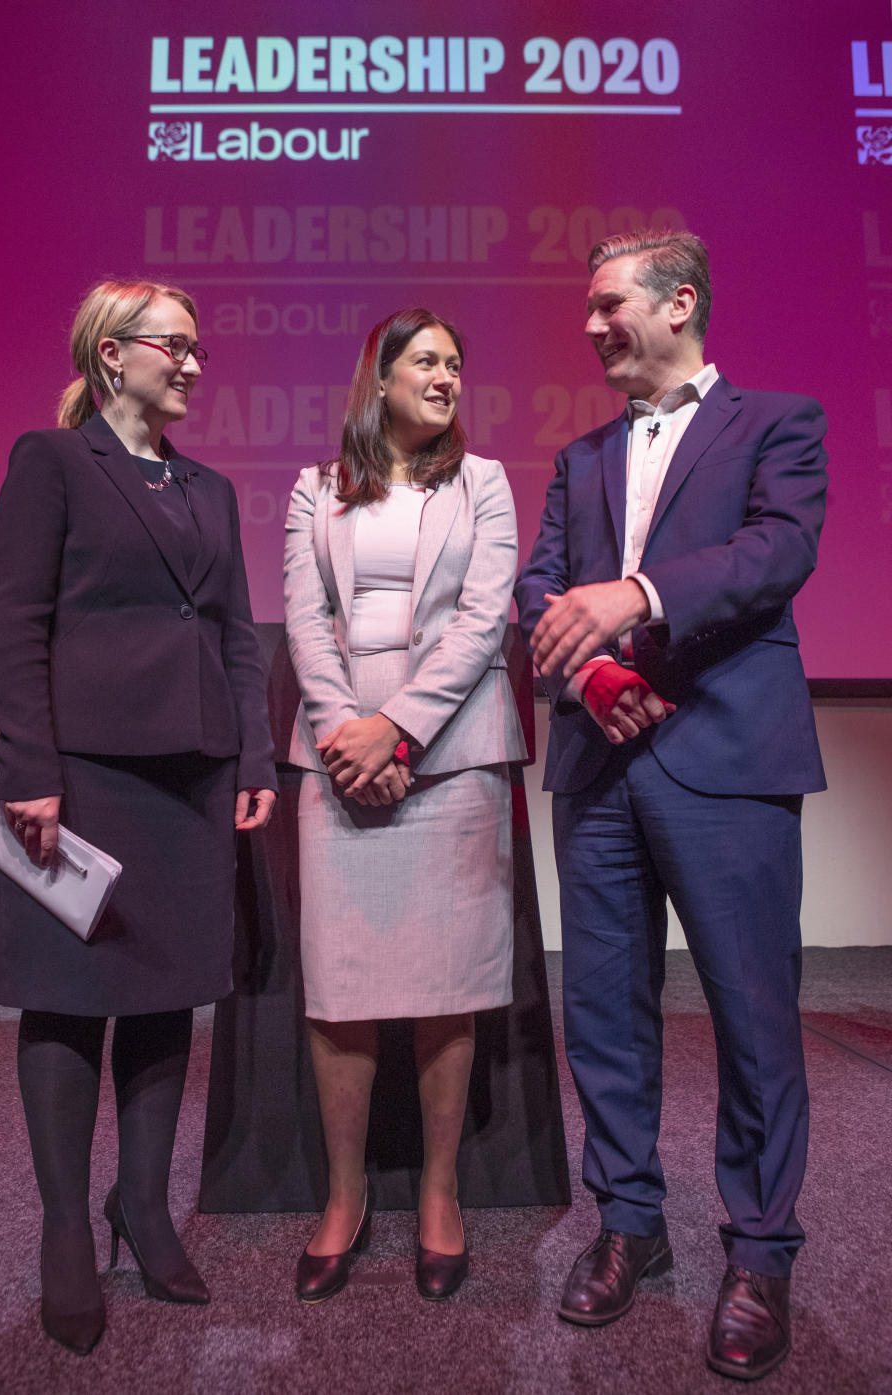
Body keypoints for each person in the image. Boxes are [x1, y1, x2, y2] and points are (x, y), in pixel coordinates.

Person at [515, 231, 827, 1382]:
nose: (592, 328)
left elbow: (778, 550)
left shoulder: (779, 422)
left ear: (679, 302)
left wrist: (636, 597)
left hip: (727, 758)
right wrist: (591, 669)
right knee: (603, 1012)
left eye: (608, 307)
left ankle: (758, 1252)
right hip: (599, 762)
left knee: (753, 1021)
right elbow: (540, 583)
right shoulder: (579, 455)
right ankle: (630, 1222)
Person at [0, 279, 276, 1356]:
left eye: (200, 348)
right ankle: (68, 1227)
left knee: (166, 995)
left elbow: (237, 632)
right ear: (113, 354)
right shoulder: (52, 462)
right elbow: (12, 619)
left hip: (193, 777)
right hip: (82, 774)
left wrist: (252, 753)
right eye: (174, 346)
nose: (194, 363)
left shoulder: (209, 486)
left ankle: (141, 1205)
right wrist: (29, 768)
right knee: (67, 998)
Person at [283, 307, 527, 1303]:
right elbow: (306, 622)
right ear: (378, 379)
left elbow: (483, 623)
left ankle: (438, 1195)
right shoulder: (311, 489)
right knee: (340, 990)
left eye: (458, 363)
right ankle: (343, 1201)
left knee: (445, 984)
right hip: (340, 755)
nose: (448, 376)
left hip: (455, 749)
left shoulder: (487, 484)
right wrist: (352, 734)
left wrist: (403, 730)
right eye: (426, 360)